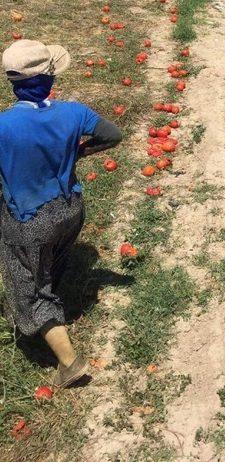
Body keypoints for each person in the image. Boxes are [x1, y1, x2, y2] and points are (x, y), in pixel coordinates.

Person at [0, 39, 122, 388]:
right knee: (52, 263)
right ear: (50, 79)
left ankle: (69, 362)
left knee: (30, 290)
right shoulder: (73, 112)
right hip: (69, 209)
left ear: (14, 83)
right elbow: (113, 134)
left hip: (28, 221)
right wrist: (79, 153)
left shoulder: (4, 127)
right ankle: (54, 307)